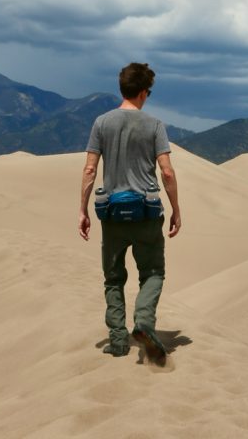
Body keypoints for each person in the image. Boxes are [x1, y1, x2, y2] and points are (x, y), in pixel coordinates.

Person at [78, 62, 181, 361]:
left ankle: (118, 340)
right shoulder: (155, 125)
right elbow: (168, 173)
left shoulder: (101, 123)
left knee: (113, 278)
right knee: (152, 272)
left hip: (112, 216)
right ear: (144, 93)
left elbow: (89, 169)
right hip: (147, 215)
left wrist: (82, 210)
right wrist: (176, 209)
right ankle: (145, 322)